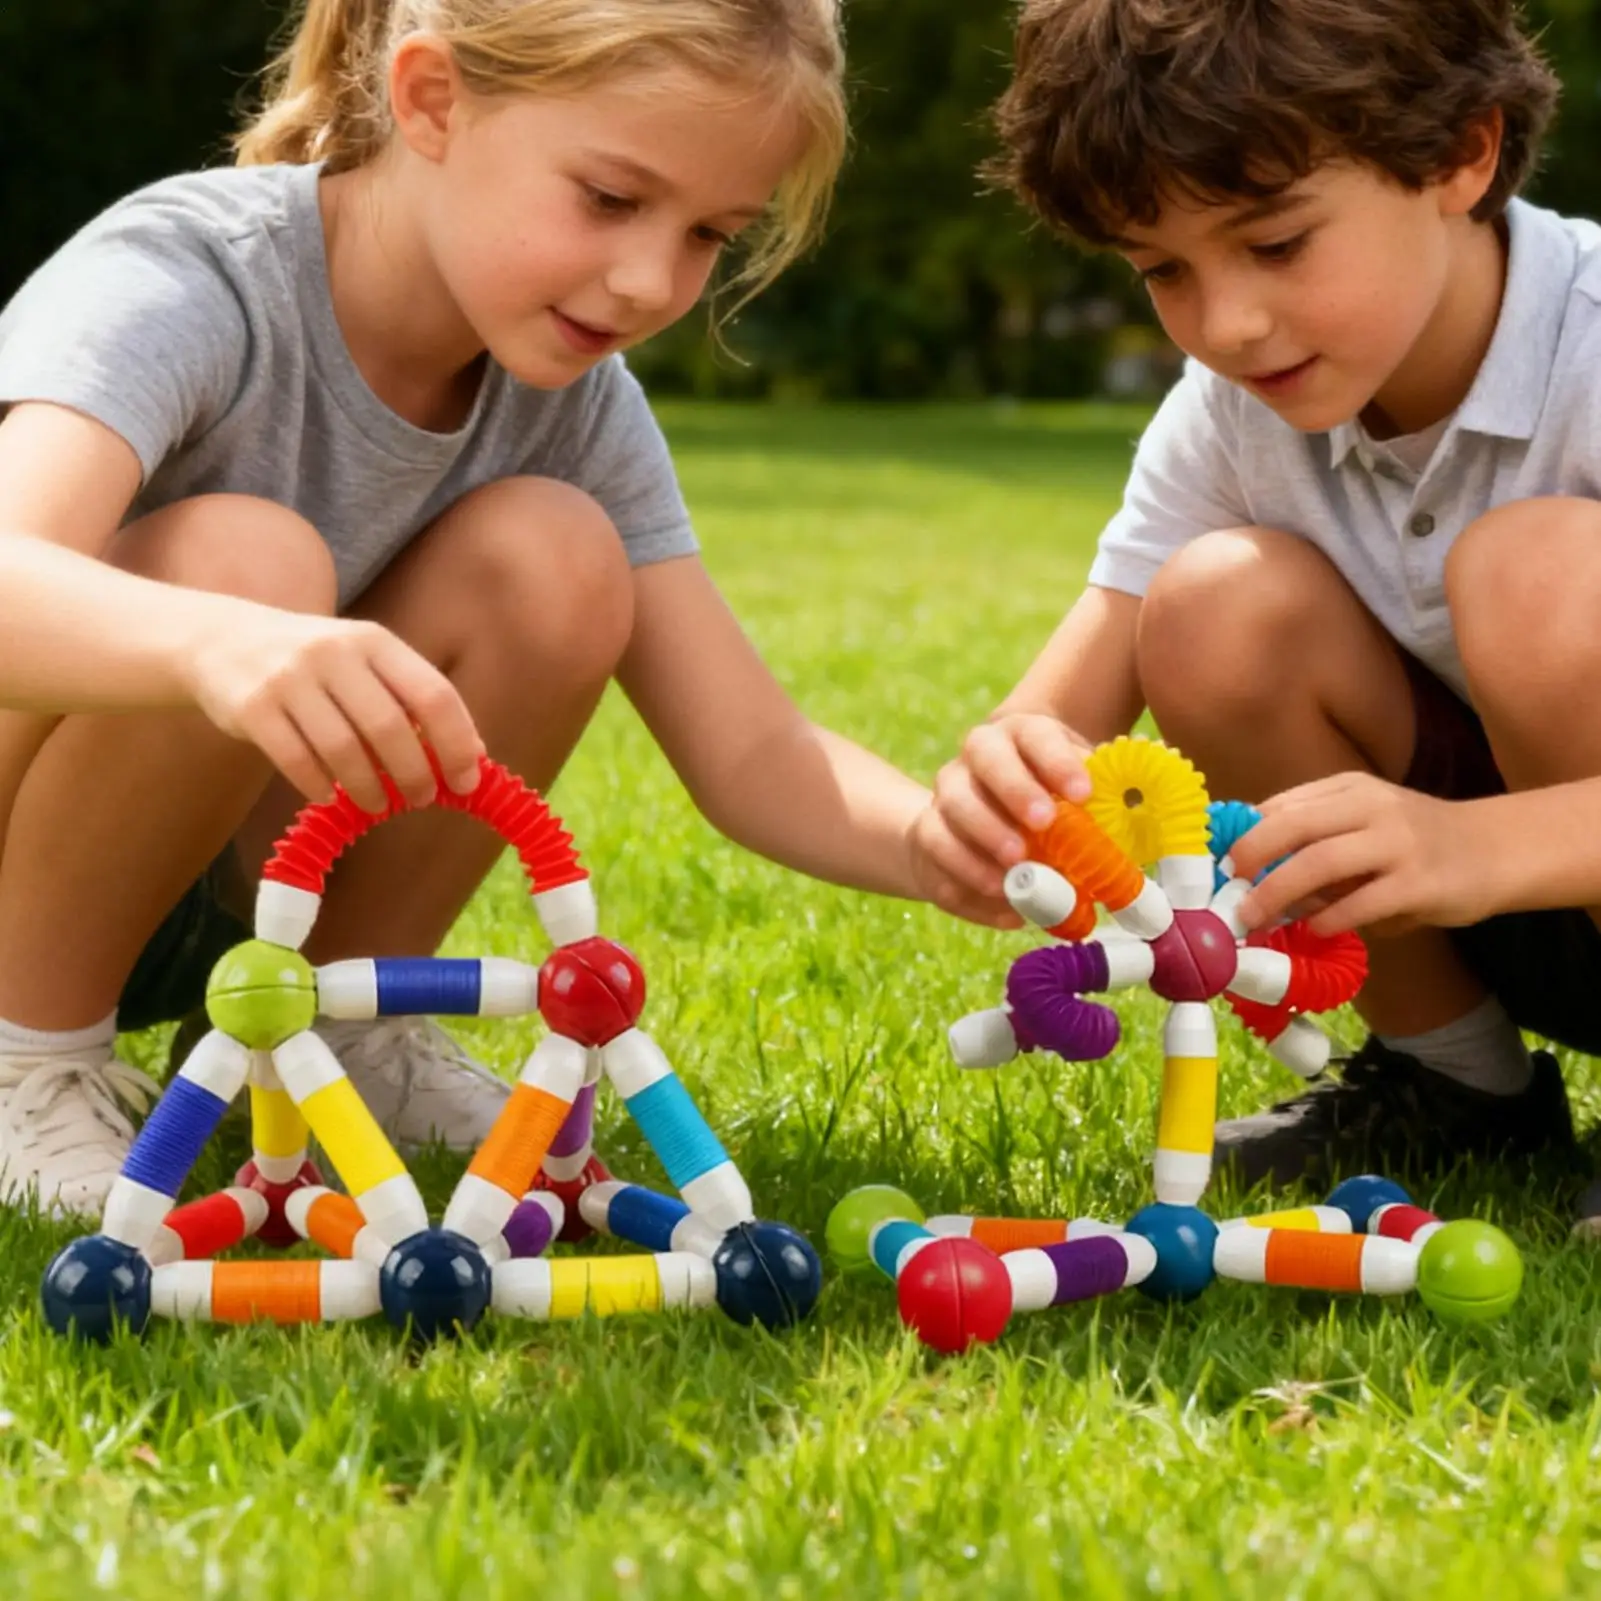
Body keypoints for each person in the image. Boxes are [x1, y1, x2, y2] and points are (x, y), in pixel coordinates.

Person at [0, 0, 944, 1214]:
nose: (649, 279)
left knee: (555, 555)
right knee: (249, 559)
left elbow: (753, 749)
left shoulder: (571, 402)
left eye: (710, 231)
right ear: (431, 98)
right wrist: (219, 638)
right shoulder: (193, 275)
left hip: (232, 869)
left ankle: (344, 1028)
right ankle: (28, 1054)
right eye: (609, 199)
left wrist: (941, 843)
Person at [912, 0, 1601, 1211]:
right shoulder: (1234, 406)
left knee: (1536, 579)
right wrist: (1007, 782)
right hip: (1483, 909)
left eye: (1275, 243)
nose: (1224, 323)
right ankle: (1455, 1082)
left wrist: (1472, 847)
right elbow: (1062, 705)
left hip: (1505, 857)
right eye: (1161, 269)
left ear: (1460, 154)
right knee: (1207, 608)